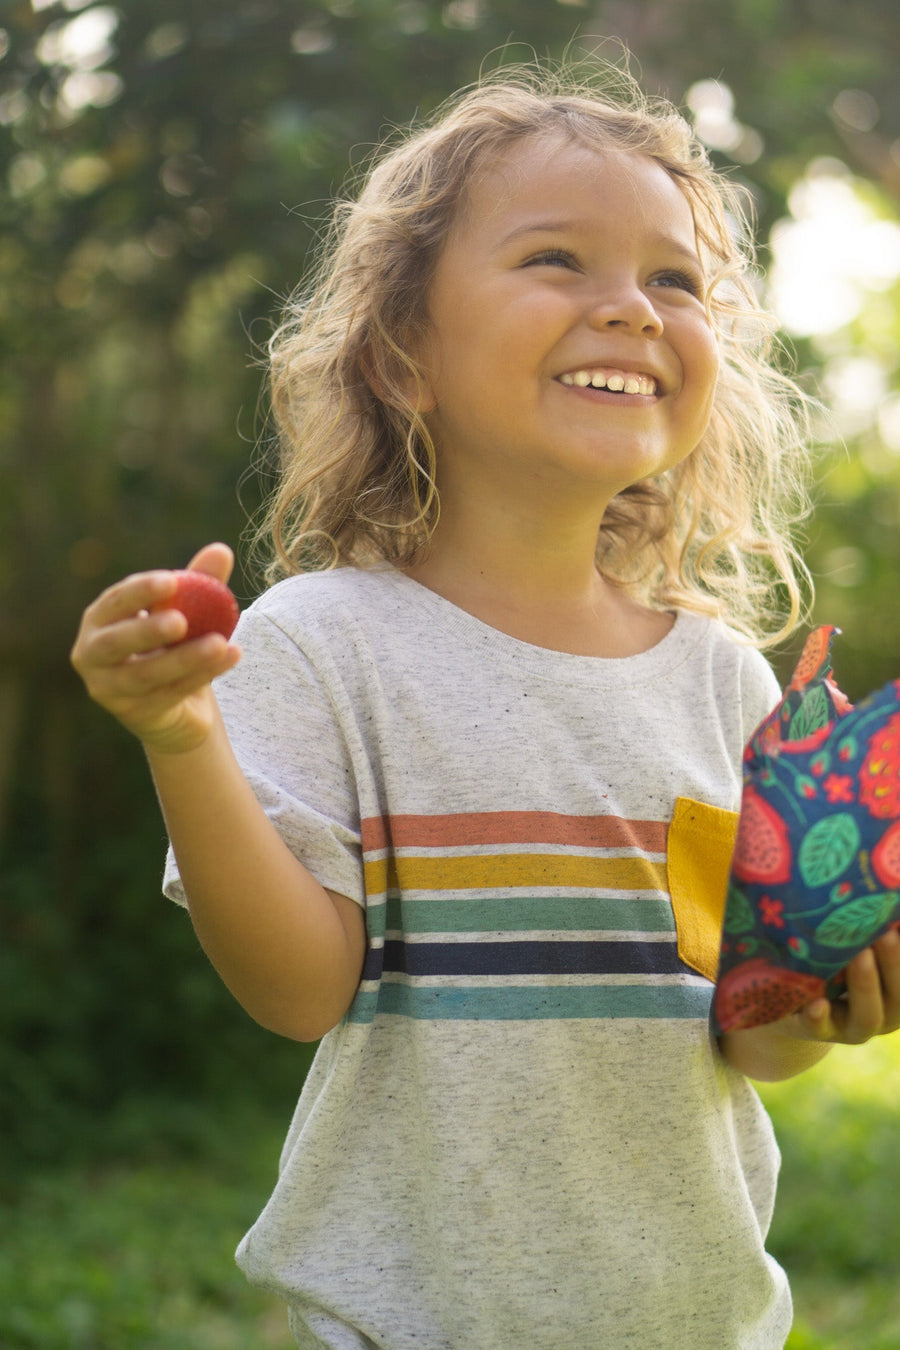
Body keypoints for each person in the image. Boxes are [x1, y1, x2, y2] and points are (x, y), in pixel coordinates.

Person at [71, 60, 900, 1349]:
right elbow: (299, 992)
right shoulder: (321, 645)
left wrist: (814, 1001)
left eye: (674, 279)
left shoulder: (725, 682)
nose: (629, 306)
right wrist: (182, 737)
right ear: (405, 356)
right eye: (557, 259)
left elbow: (742, 1041)